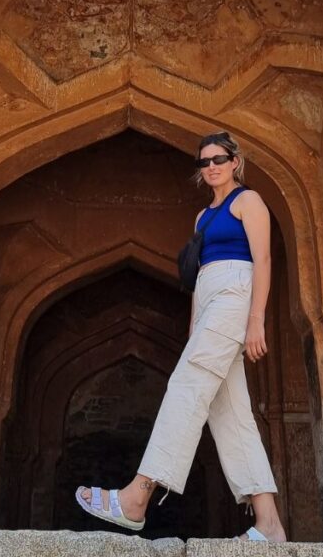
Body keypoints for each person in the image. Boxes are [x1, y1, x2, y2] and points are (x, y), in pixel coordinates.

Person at [76, 131, 288, 542]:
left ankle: (139, 494)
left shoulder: (248, 202)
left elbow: (262, 259)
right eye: (204, 162)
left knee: (187, 385)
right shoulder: (202, 217)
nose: (211, 167)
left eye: (219, 159)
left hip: (234, 293)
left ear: (235, 161)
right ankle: (270, 523)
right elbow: (195, 279)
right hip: (209, 298)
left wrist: (256, 320)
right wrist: (193, 326)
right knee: (229, 412)